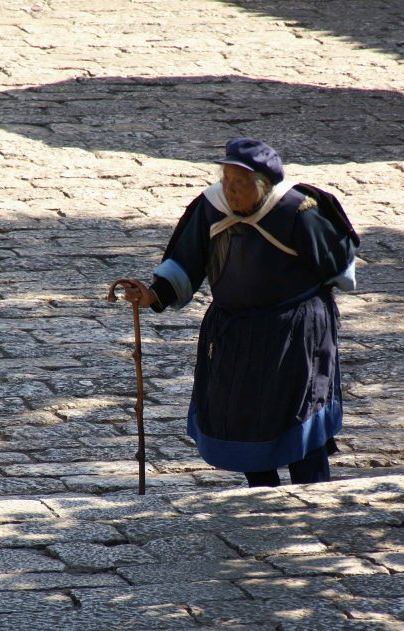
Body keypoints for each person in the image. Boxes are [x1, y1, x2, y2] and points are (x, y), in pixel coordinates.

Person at [117, 137, 359, 487]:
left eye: (240, 184)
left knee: (298, 412)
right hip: (235, 332)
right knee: (243, 416)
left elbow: (338, 267)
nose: (230, 191)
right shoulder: (211, 207)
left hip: (295, 334)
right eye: (226, 181)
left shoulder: (299, 210)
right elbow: (186, 260)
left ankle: (313, 495)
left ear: (263, 186)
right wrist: (153, 295)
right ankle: (261, 494)